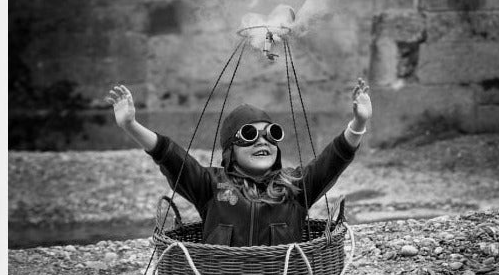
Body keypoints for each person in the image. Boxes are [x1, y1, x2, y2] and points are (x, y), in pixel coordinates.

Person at [106, 78, 372, 246]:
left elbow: (334, 157)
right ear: (231, 150)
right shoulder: (210, 184)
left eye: (271, 134)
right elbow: (170, 155)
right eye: (249, 135)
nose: (263, 141)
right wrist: (131, 125)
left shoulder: (295, 186)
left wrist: (359, 123)